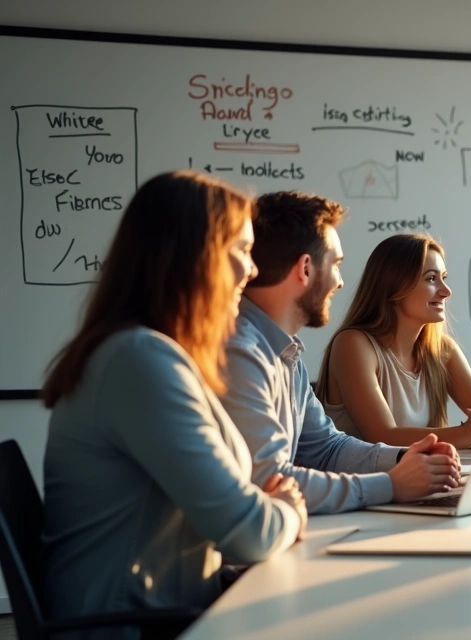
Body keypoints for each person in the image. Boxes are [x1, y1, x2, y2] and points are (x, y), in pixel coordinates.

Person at [41, 171, 306, 630]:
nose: (254, 268)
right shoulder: (139, 361)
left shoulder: (150, 355)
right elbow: (247, 533)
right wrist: (287, 511)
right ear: (196, 258)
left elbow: (236, 517)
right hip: (139, 626)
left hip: (173, 613)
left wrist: (262, 510)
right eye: (242, 250)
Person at [220, 191, 461, 515]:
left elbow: (326, 448)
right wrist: (391, 485)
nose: (340, 282)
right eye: (335, 265)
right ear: (305, 268)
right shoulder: (240, 352)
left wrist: (405, 459)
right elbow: (270, 481)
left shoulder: (285, 353)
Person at [317, 233, 471, 448]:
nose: (446, 291)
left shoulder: (443, 350)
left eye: (444, 277)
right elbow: (383, 435)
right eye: (431, 279)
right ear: (394, 286)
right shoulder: (353, 344)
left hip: (425, 478)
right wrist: (466, 433)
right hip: (363, 481)